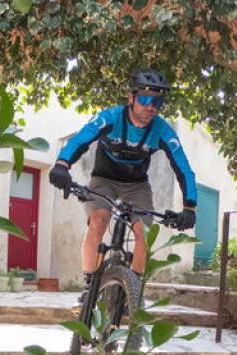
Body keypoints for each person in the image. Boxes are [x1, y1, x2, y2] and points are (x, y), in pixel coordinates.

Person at [48, 68, 197, 292]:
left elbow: (184, 169)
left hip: (137, 186)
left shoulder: (162, 131)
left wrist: (190, 207)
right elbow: (81, 139)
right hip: (103, 180)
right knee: (98, 221)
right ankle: (89, 286)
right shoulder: (111, 117)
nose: (150, 107)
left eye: (157, 102)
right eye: (145, 99)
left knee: (143, 234)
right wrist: (62, 164)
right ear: (131, 97)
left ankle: (131, 291)